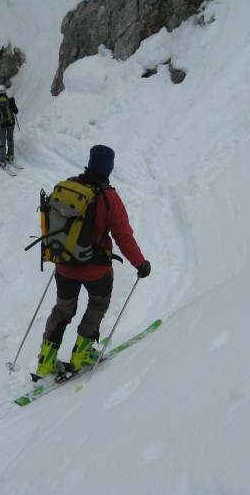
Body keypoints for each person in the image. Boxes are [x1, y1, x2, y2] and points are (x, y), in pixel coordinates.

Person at [35, 144, 152, 378]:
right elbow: (123, 236)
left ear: (89, 163)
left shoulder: (68, 186)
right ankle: (82, 354)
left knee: (62, 310)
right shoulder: (109, 197)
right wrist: (140, 264)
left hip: (64, 264)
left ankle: (45, 362)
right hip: (95, 269)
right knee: (98, 304)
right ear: (109, 168)